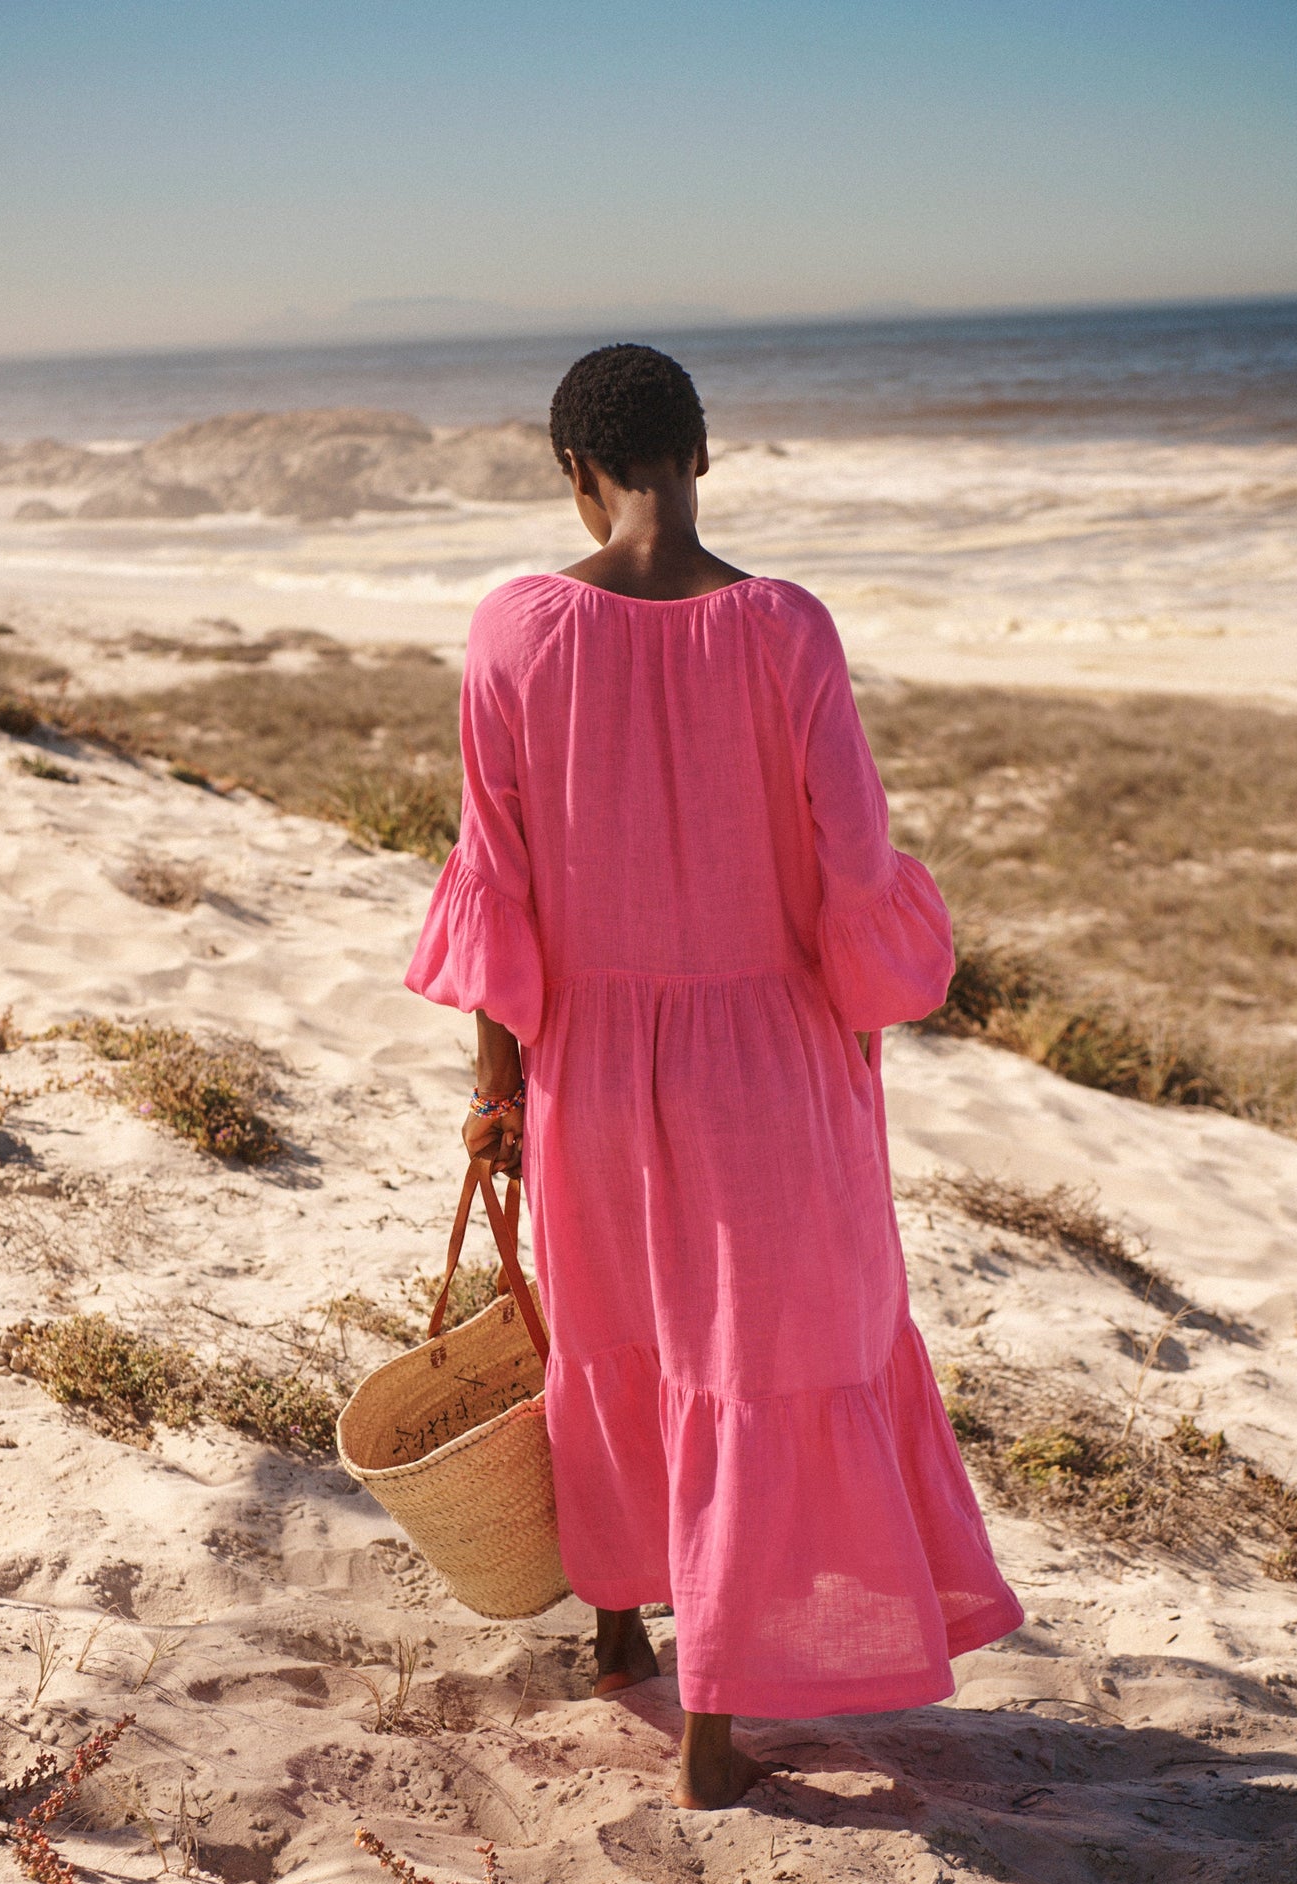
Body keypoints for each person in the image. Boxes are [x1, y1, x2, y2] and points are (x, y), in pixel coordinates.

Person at [404, 344, 1022, 1809]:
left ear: (572, 471)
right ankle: (714, 1730)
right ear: (706, 454)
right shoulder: (785, 628)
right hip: (769, 1065)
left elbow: (502, 882)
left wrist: (500, 1083)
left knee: (619, 1338)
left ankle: (621, 1628)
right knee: (758, 1364)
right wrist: (872, 1004)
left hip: (592, 1067)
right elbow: (854, 870)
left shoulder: (512, 631)